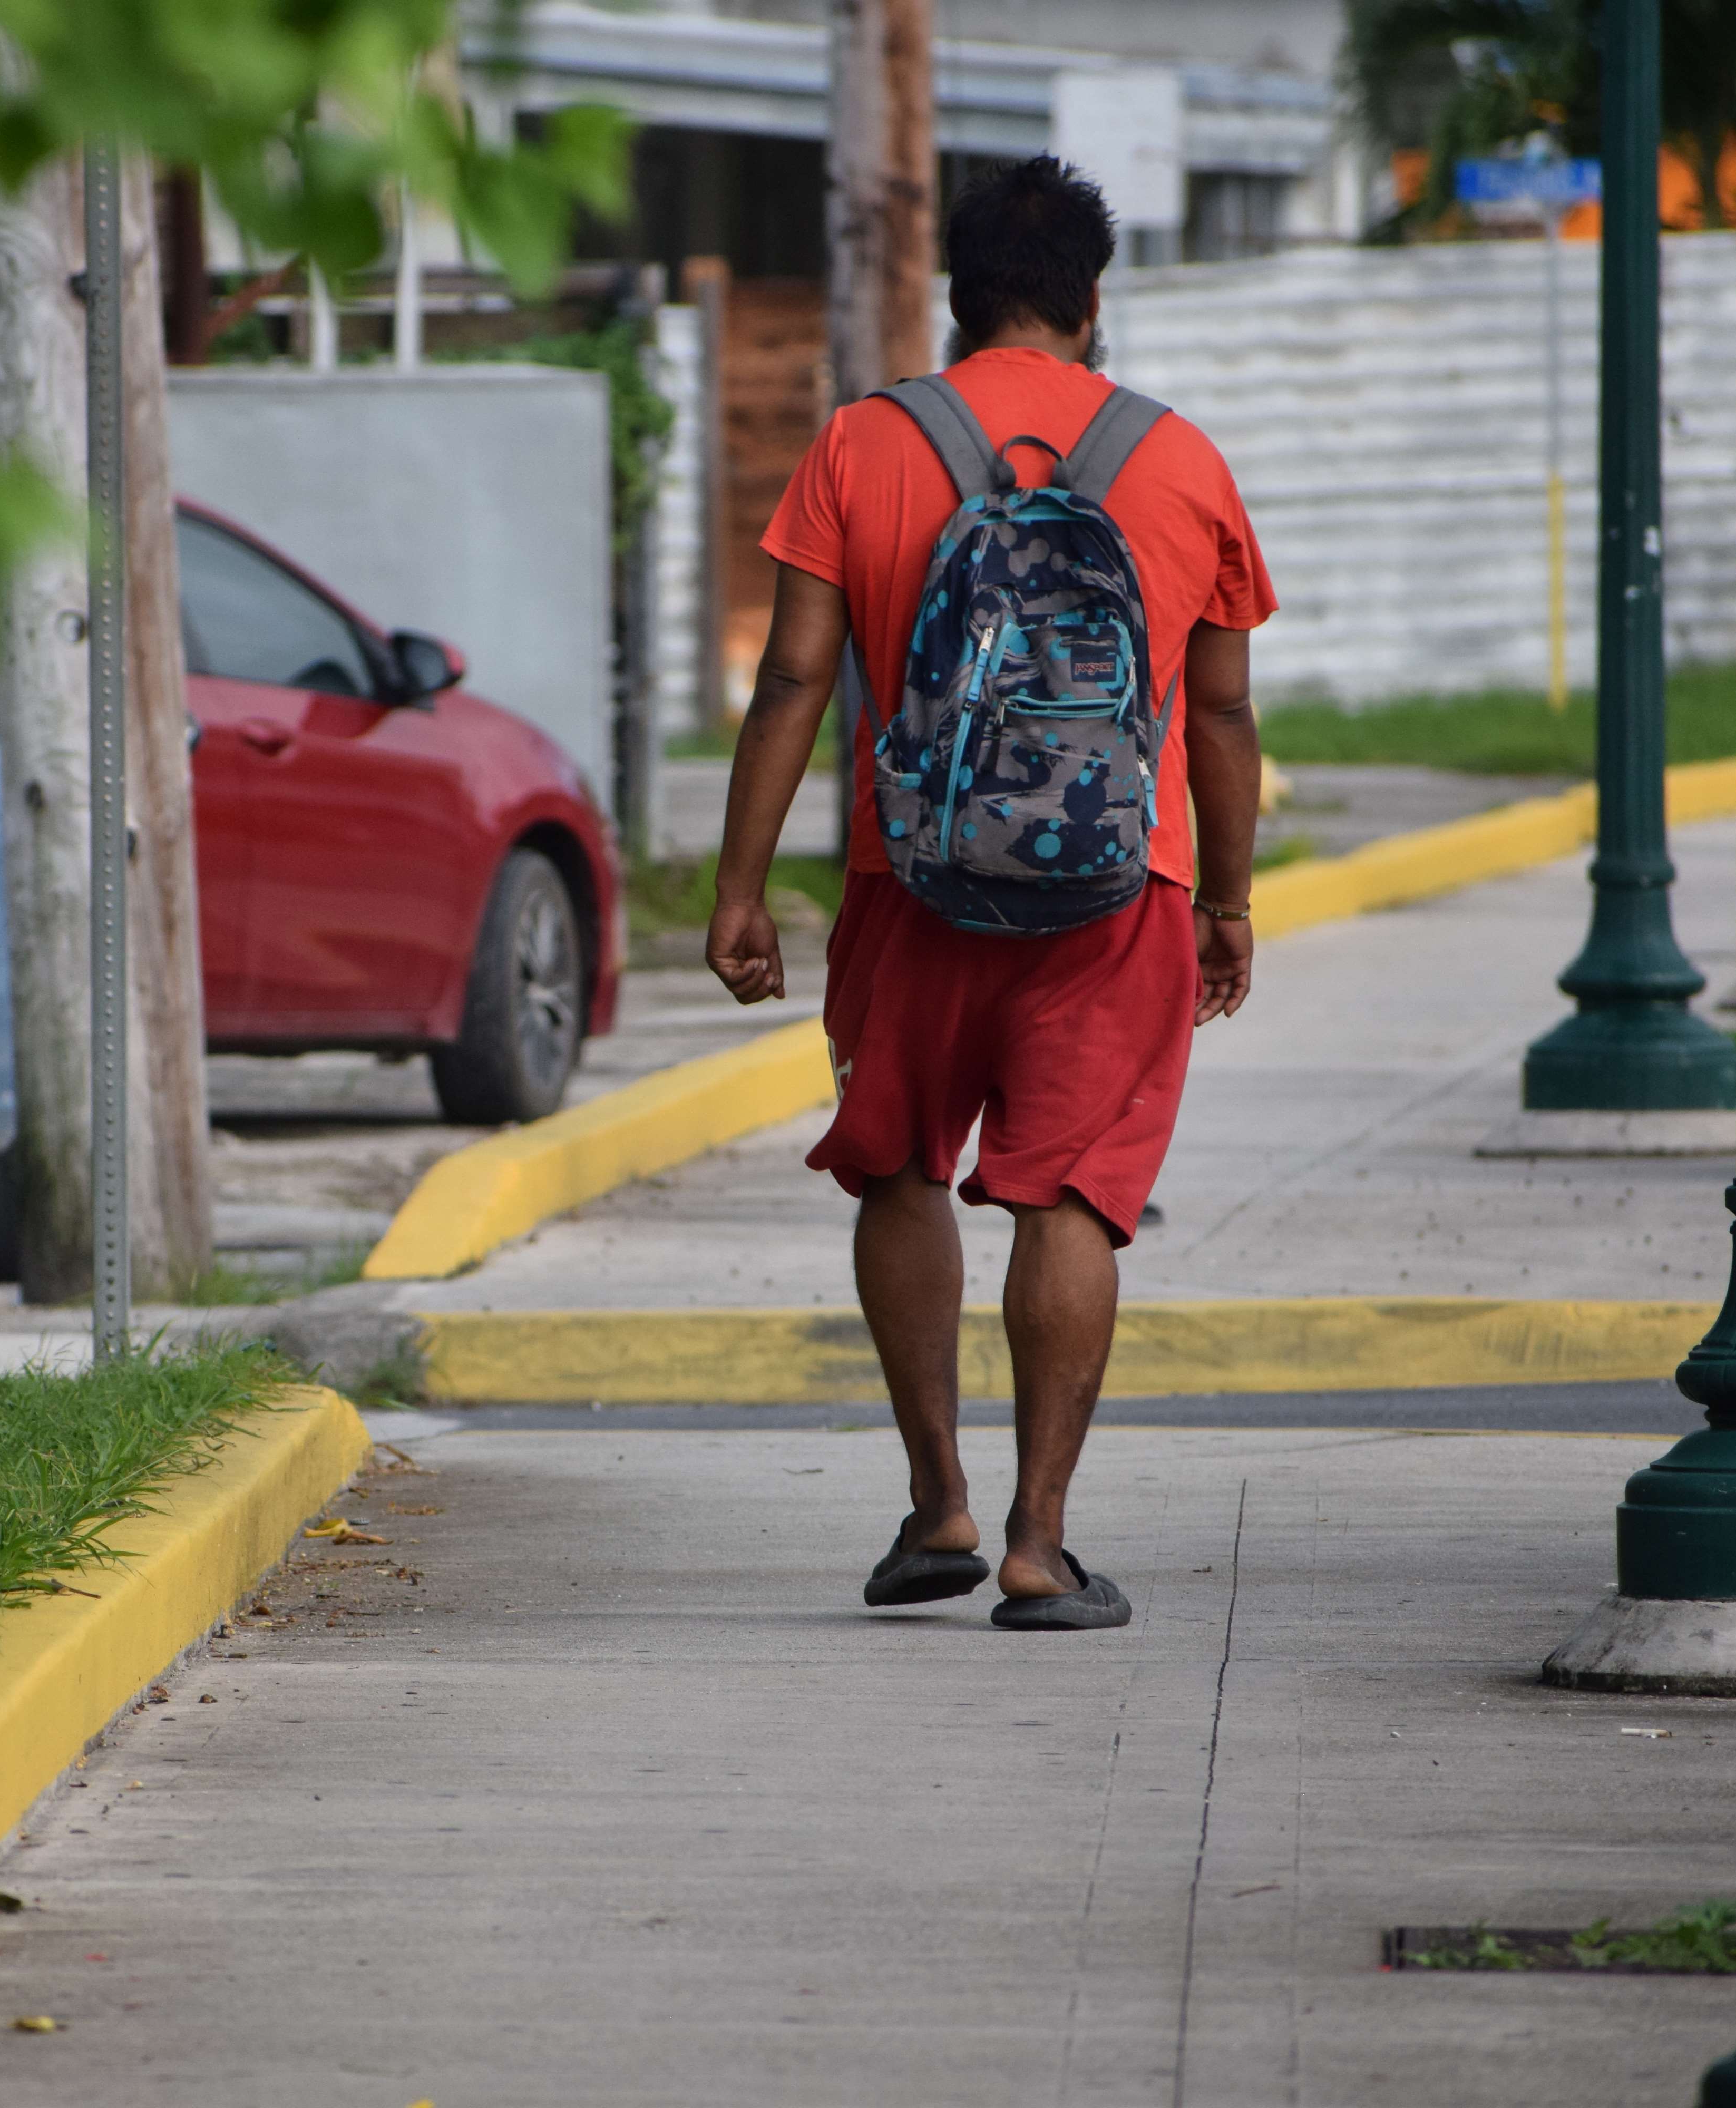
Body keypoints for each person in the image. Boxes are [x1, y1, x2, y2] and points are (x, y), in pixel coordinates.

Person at [707, 156, 1275, 1631]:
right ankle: (1038, 1540)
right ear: (1095, 301)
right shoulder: (1180, 461)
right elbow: (1217, 718)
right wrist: (1228, 898)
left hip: (915, 883)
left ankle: (936, 1505)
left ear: (960, 303)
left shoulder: (862, 446)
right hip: (1115, 889)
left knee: (900, 1167)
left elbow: (792, 680)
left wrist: (742, 890)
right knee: (1069, 1193)